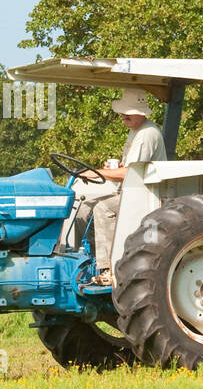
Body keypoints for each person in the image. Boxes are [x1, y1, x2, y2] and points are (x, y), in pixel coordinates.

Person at [67, 87, 167, 282]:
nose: (123, 115)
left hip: (145, 194)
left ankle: (108, 269)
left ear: (141, 113)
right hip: (132, 190)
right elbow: (130, 166)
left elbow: (130, 173)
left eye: (128, 112)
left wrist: (98, 173)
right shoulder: (136, 131)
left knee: (103, 208)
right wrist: (114, 167)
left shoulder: (147, 134)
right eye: (123, 111)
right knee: (84, 205)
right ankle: (88, 260)